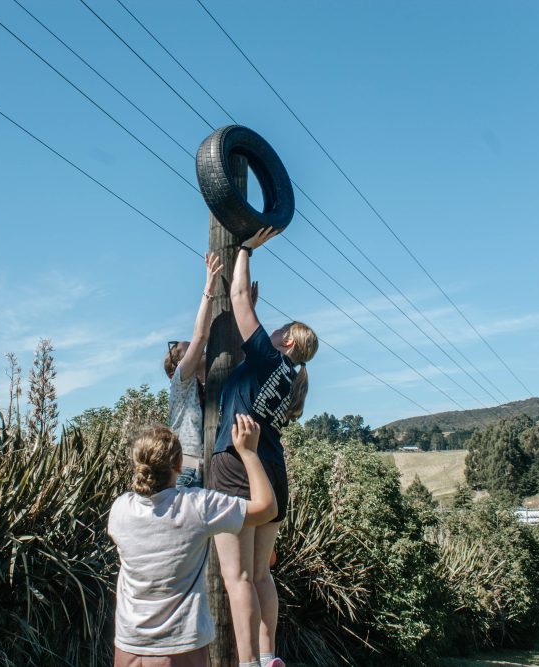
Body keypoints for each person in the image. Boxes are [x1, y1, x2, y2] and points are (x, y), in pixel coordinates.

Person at [208, 228, 319, 667]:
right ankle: (269, 657)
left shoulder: (270, 359)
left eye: (280, 329)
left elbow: (237, 297)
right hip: (271, 471)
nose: (273, 328)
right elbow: (247, 329)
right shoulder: (289, 375)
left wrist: (246, 249)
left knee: (236, 576)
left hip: (237, 463)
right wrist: (250, 311)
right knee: (258, 574)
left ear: (288, 341)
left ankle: (248, 663)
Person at [107, 416, 278, 666]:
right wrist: (249, 453)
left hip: (128, 646)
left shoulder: (120, 509)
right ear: (179, 465)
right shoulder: (197, 506)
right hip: (181, 647)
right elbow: (267, 509)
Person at [165, 253, 222, 488]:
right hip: (186, 471)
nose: (195, 348)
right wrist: (209, 287)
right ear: (179, 364)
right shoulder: (181, 381)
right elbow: (201, 336)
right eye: (186, 349)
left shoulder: (204, 387)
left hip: (205, 471)